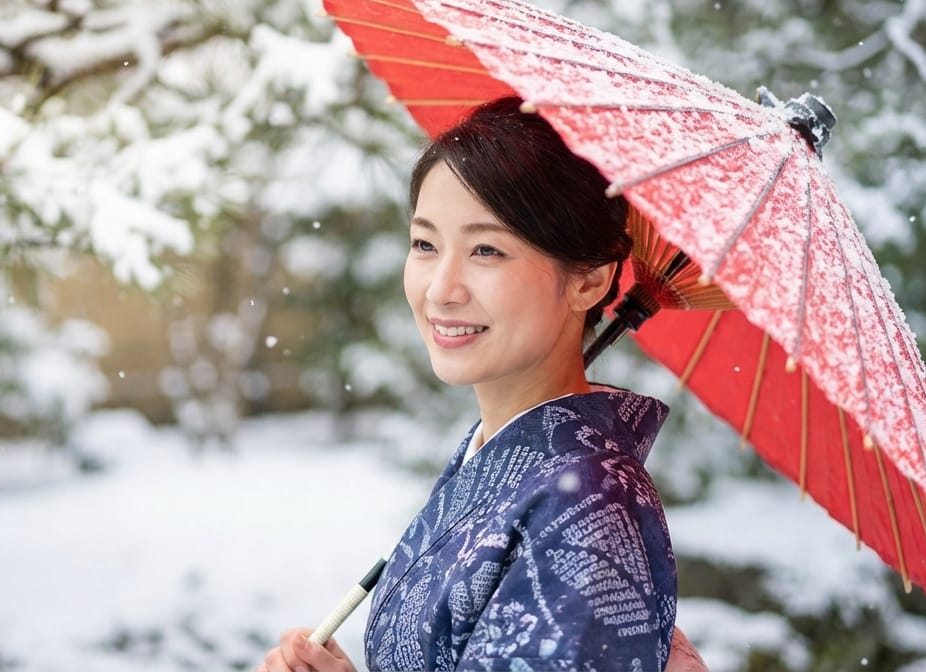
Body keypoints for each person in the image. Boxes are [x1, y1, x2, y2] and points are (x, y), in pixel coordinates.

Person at [259, 97, 698, 671]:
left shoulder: (591, 504)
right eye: (424, 244)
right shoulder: (499, 454)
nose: (441, 288)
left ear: (589, 281)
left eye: (486, 249)